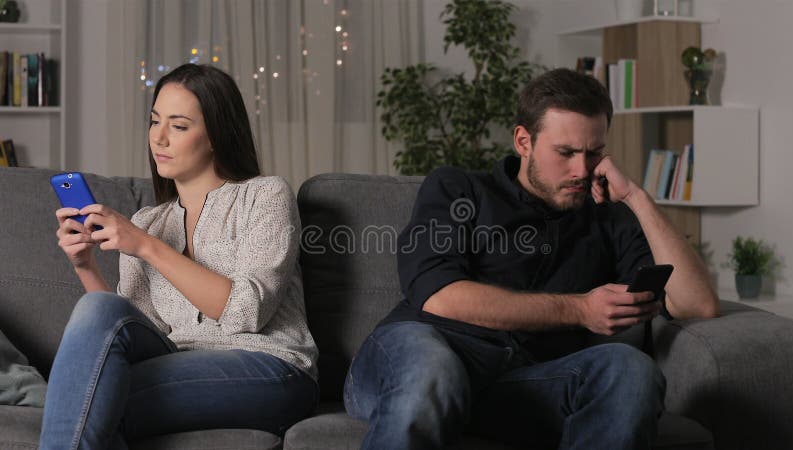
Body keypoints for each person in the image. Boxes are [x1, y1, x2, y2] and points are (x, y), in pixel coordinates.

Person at [344, 68, 718, 449]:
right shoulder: (458, 188)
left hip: (522, 384)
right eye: (566, 153)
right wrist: (580, 310)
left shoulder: (608, 215)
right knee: (433, 369)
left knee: (631, 368)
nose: (581, 170)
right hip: (419, 357)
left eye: (594, 153)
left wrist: (636, 197)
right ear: (523, 141)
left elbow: (697, 303)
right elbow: (440, 296)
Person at [40, 64, 318, 449]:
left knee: (87, 397)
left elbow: (247, 311)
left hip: (270, 366)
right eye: (155, 122)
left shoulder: (265, 195)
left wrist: (145, 246)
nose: (159, 138)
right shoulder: (148, 221)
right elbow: (133, 328)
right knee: (98, 315)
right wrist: (84, 264)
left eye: (179, 126)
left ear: (217, 135)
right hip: (177, 361)